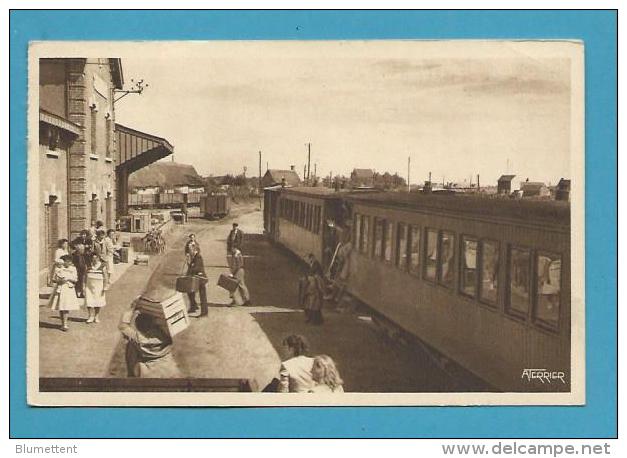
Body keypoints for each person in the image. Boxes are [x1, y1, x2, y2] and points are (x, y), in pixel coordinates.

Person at [119, 307, 181, 378]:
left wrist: (131, 308)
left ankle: (130, 375)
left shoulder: (137, 338)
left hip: (147, 373)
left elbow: (122, 326)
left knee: (130, 345)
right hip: (169, 369)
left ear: (138, 327)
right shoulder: (166, 334)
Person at [48, 255, 81, 331]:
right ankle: (63, 323)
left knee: (66, 306)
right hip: (60, 288)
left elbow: (75, 279)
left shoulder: (73, 269)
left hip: (68, 289)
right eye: (65, 261)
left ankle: (65, 324)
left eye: (69, 261)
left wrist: (68, 279)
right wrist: (59, 280)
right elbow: (54, 279)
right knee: (61, 306)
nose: (67, 262)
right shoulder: (59, 269)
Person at [84, 253, 109, 323]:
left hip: (99, 287)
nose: (94, 260)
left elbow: (106, 277)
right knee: (89, 302)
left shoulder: (102, 266)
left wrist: (105, 286)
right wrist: (83, 286)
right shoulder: (88, 266)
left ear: (98, 258)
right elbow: (85, 277)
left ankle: (96, 316)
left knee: (98, 302)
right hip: (89, 286)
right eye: (93, 258)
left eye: (96, 258)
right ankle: (90, 316)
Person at [186, 244, 208, 316]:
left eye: (190, 250)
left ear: (194, 250)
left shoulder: (198, 257)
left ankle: (204, 313)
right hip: (196, 278)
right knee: (190, 291)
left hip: (201, 279)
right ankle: (193, 306)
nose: (189, 251)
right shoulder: (194, 257)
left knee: (202, 296)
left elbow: (196, 268)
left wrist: (190, 267)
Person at [301, 259, 325, 325]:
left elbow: (320, 288)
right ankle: (311, 319)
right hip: (311, 294)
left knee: (314, 308)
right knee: (311, 307)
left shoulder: (317, 278)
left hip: (315, 295)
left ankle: (314, 321)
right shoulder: (312, 277)